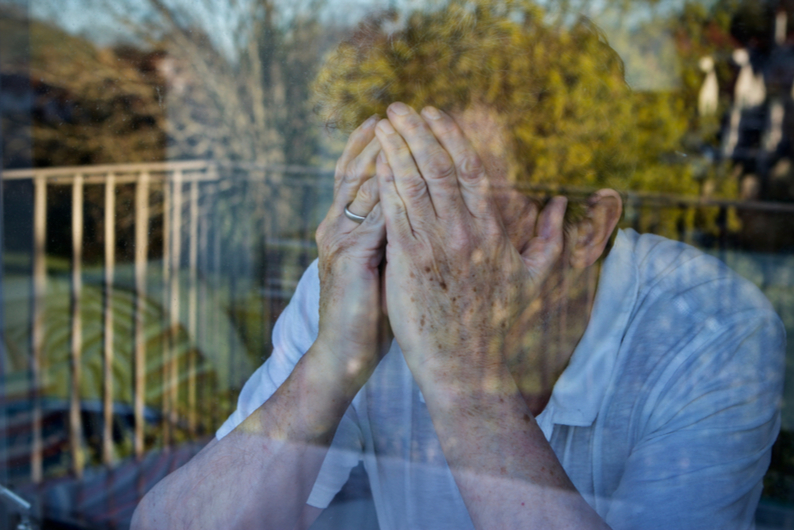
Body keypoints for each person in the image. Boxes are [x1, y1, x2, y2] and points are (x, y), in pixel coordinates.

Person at [131, 2, 785, 529]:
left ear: (585, 227)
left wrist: (465, 381)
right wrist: (329, 361)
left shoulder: (709, 329)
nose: (408, 233)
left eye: (448, 198)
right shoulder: (362, 282)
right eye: (394, 183)